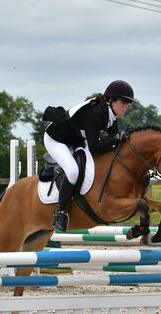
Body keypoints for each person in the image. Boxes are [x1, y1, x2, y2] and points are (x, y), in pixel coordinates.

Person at [43, 79, 134, 231]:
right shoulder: (95, 114)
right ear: (111, 100)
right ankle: (60, 212)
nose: (127, 106)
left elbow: (110, 143)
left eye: (128, 103)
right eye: (124, 102)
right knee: (73, 171)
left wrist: (121, 141)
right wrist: (117, 139)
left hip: (77, 139)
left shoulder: (111, 117)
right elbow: (95, 146)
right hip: (57, 139)